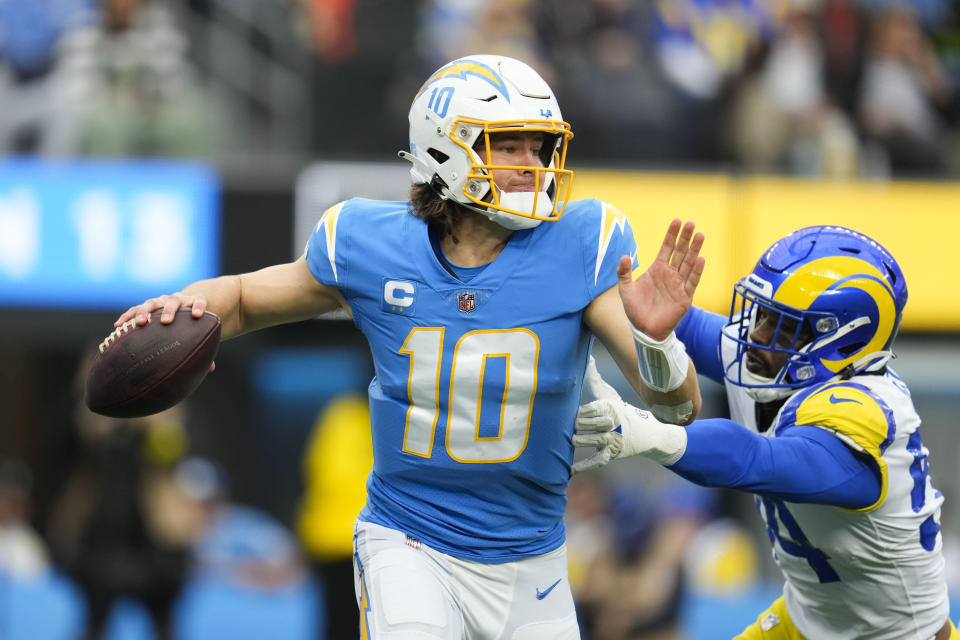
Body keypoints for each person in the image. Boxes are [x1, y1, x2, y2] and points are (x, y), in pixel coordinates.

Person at [113, 53, 706, 639]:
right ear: (445, 148)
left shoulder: (582, 242)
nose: (532, 164)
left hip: (533, 557)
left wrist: (657, 339)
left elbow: (676, 408)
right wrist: (182, 306)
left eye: (539, 146)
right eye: (509, 145)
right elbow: (242, 297)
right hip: (411, 540)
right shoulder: (371, 242)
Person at [573, 225, 956, 639]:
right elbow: (679, 322)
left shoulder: (866, 413)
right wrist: (612, 290)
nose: (756, 334)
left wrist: (647, 433)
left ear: (841, 342)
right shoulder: (780, 363)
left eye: (783, 325)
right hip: (807, 619)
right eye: (763, 313)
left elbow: (754, 460)